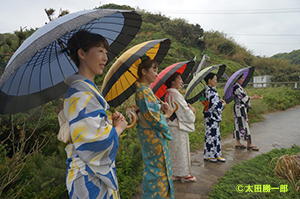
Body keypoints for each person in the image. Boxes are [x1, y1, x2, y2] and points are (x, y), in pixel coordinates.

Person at [63, 30, 127, 199]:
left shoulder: (84, 90)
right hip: (88, 176)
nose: (105, 58)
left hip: (91, 171)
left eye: (106, 52)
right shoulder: (80, 93)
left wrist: (109, 124)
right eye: (100, 51)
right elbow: (96, 140)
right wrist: (118, 129)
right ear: (82, 53)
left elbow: (91, 128)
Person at [135, 55, 175, 199]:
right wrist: (168, 115)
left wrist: (159, 106)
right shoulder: (144, 91)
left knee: (155, 169)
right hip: (153, 135)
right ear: (144, 71)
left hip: (150, 134)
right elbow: (152, 118)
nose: (156, 74)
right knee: (157, 171)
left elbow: (150, 111)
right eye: (154, 70)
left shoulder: (145, 90)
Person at [164, 72, 197, 182]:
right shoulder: (175, 94)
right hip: (178, 125)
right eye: (179, 79)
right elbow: (183, 111)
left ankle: (174, 173)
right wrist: (191, 112)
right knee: (181, 150)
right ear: (173, 81)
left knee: (174, 150)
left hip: (171, 124)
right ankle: (183, 174)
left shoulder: (168, 94)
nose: (182, 81)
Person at [202, 73, 226, 162]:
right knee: (211, 136)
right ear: (209, 80)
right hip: (211, 117)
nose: (216, 81)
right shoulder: (211, 91)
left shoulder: (207, 91)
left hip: (209, 116)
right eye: (215, 79)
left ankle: (215, 154)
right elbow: (215, 106)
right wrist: (223, 105)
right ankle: (211, 155)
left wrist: (219, 102)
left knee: (213, 135)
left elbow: (211, 103)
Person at [233, 74, 260, 151]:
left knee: (238, 124)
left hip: (239, 108)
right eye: (241, 78)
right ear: (237, 79)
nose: (242, 80)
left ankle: (237, 142)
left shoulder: (238, 86)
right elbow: (243, 98)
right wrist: (253, 97)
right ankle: (249, 143)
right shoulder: (236, 87)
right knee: (244, 124)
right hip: (240, 108)